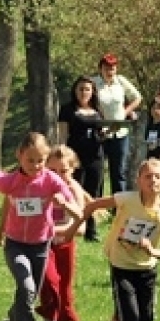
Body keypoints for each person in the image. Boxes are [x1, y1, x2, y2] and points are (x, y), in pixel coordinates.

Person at [0, 132, 81, 321]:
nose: (36, 166)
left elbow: (78, 213)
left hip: (40, 245)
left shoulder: (51, 180)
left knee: (27, 295)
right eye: (30, 160)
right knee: (27, 288)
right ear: (19, 156)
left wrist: (64, 204)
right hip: (16, 244)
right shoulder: (11, 181)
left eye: (40, 160)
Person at [79, 158, 160, 321]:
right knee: (131, 317)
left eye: (158, 177)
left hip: (147, 268)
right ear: (138, 181)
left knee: (147, 317)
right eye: (147, 176)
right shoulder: (127, 199)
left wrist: (153, 250)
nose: (153, 181)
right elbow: (95, 204)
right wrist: (79, 223)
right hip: (121, 264)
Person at [34, 146, 88, 321]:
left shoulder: (73, 190)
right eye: (53, 171)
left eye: (63, 171)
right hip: (43, 245)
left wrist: (55, 229)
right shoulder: (41, 188)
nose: (58, 176)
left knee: (64, 288)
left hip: (65, 245)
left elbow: (80, 227)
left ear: (73, 169)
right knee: (49, 282)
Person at [57, 76, 105, 242]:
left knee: (94, 192)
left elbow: (101, 133)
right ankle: (74, 226)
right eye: (80, 89)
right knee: (76, 191)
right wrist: (62, 155)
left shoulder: (98, 111)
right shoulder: (67, 109)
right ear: (75, 91)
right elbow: (63, 134)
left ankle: (91, 230)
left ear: (92, 92)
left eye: (87, 89)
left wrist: (106, 133)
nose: (84, 92)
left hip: (96, 156)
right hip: (75, 157)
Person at [91, 53, 142, 195]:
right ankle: (98, 206)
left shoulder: (120, 81)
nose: (110, 71)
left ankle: (119, 206)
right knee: (98, 171)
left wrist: (126, 112)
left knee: (118, 172)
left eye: (112, 68)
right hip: (101, 132)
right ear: (100, 68)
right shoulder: (93, 83)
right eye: (107, 68)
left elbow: (137, 97)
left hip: (119, 132)